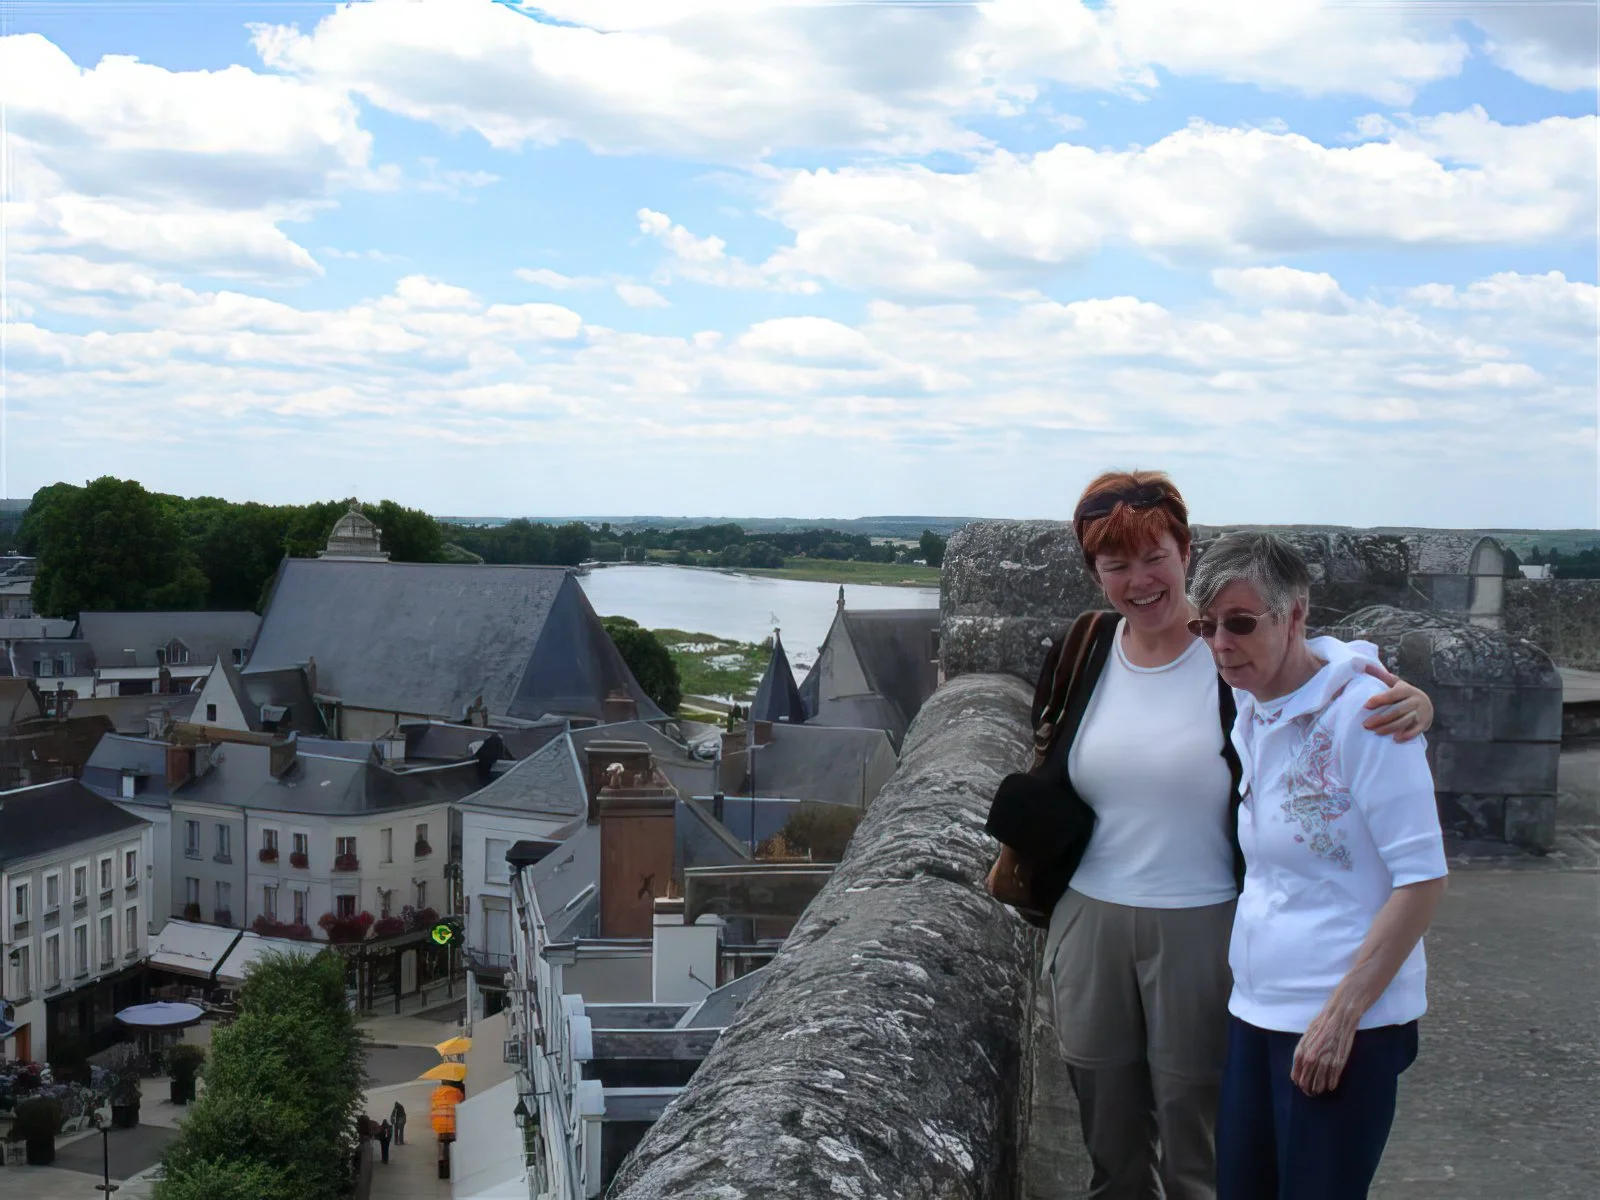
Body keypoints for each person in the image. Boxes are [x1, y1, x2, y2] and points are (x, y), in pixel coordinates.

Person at [986, 470, 1435, 1200]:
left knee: (1202, 1148)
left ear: (1185, 550)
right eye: (1116, 565)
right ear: (1095, 574)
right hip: (1090, 917)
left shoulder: (1233, 649)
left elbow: (1330, 669)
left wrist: (1417, 700)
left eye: (1153, 556)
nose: (1140, 580)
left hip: (1205, 922)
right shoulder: (1085, 648)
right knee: (1111, 1144)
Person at [1188, 533, 1448, 1200]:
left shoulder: (1369, 718)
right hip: (1257, 1008)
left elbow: (1422, 879)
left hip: (1343, 1024)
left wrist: (1340, 1017)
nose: (1220, 642)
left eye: (1240, 622)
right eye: (1206, 624)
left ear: (1296, 613)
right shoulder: (1251, 704)